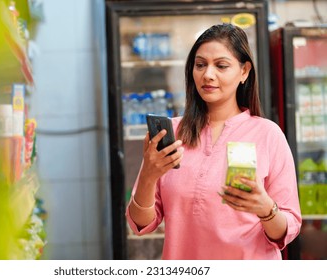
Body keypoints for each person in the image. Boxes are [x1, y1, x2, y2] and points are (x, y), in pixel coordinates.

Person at [126, 23, 302, 260]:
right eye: (200, 65)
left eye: (221, 65)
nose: (207, 74)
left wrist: (265, 209)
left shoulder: (268, 134)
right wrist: (148, 175)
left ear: (244, 71)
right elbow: (140, 225)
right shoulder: (172, 133)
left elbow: (287, 229)